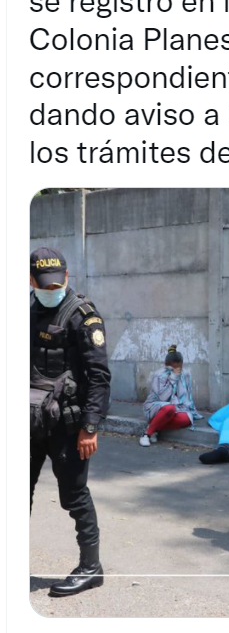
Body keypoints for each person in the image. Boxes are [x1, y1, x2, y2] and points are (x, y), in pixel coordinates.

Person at [30, 247, 111, 597]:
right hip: (29, 421)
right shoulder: (25, 310)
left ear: (66, 277)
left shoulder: (82, 316)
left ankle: (91, 568)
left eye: (56, 283)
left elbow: (99, 376)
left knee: (74, 496)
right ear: (31, 281)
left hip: (68, 424)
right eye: (44, 285)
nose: (51, 290)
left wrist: (90, 427)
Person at [140, 345, 201, 446]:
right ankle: (147, 434)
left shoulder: (185, 374)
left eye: (179, 367)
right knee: (169, 409)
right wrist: (173, 378)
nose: (177, 369)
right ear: (166, 365)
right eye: (173, 367)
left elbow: (187, 396)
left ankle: (155, 426)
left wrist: (190, 409)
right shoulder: (159, 375)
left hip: (178, 407)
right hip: (157, 406)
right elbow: (162, 397)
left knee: (187, 419)